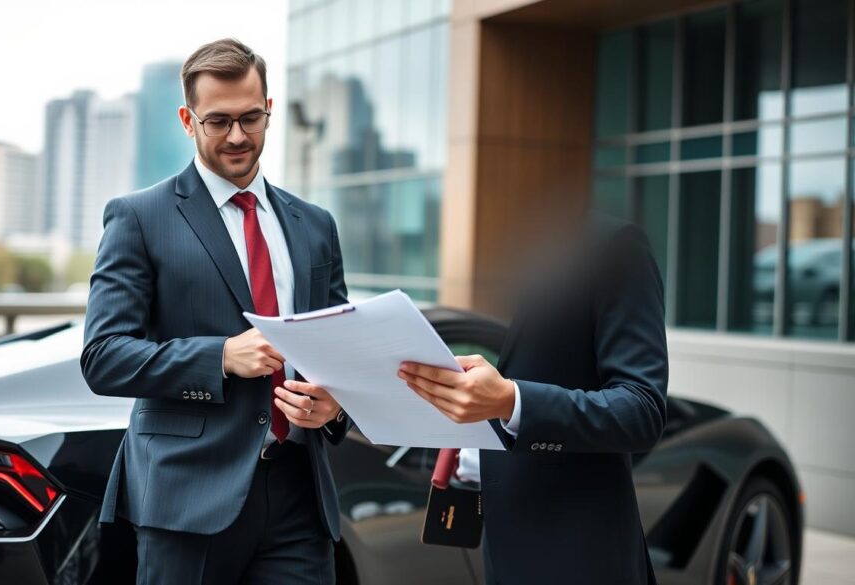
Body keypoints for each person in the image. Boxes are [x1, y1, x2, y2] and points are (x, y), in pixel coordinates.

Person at [80, 38, 350, 585]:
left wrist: (336, 406)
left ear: (269, 109)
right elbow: (103, 357)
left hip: (300, 496)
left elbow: (341, 350)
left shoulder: (315, 224)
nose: (237, 136)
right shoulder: (139, 217)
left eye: (251, 118)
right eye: (218, 121)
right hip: (187, 498)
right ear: (187, 119)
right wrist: (221, 356)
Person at [400, 213, 669, 584]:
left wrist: (512, 402)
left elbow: (642, 409)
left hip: (579, 557)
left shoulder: (614, 245)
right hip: (503, 550)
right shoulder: (500, 255)